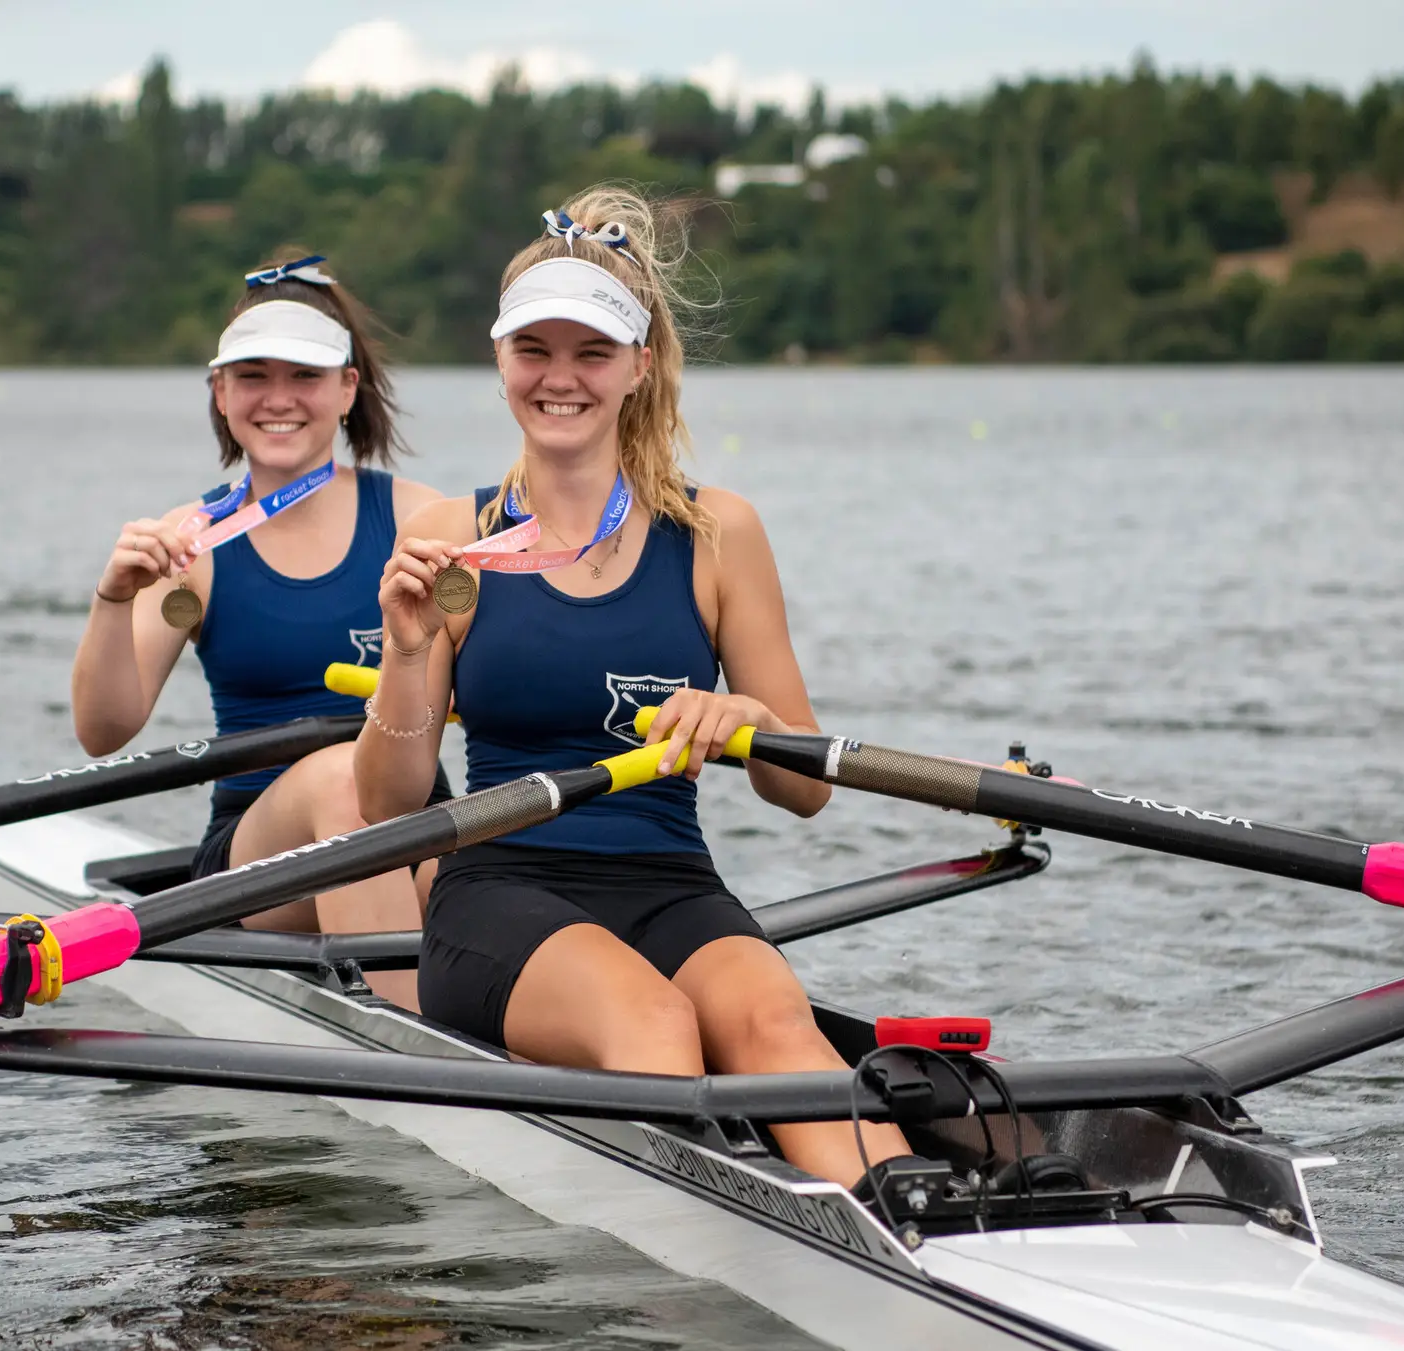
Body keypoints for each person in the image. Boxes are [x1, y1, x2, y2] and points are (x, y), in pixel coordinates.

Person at [356, 190, 912, 1189]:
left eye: (590, 353)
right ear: (499, 360)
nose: (558, 378)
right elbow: (386, 807)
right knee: (656, 1018)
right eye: (534, 350)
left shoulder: (717, 535)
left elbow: (806, 787)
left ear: (637, 366)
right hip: (497, 894)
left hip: (669, 887)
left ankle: (913, 1228)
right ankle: (719, 1253)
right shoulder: (451, 537)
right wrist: (404, 650)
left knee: (774, 1022)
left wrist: (751, 723)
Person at [73, 254, 441, 1009]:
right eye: (253, 376)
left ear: (347, 389)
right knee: (345, 776)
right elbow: (103, 729)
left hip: (417, 823)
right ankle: (428, 1053)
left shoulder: (420, 518)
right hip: (259, 860)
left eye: (304, 376)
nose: (279, 400)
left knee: (499, 850)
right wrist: (113, 600)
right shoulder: (189, 551)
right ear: (220, 392)